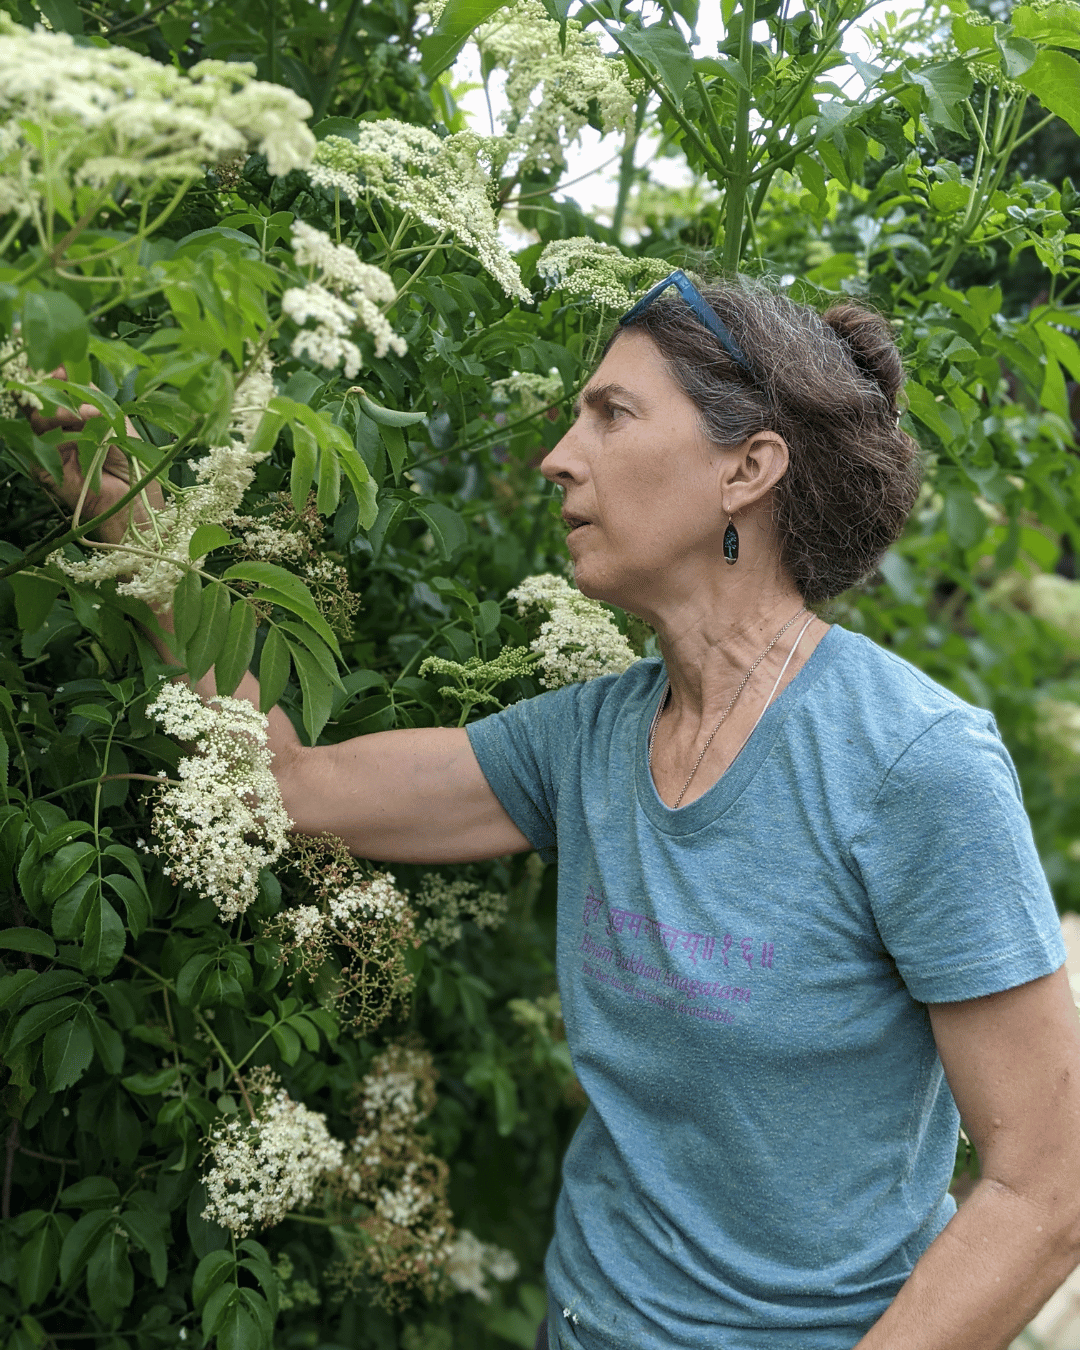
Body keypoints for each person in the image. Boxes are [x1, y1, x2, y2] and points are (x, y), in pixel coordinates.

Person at [35, 275, 1080, 1350]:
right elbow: (294, 783)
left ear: (748, 468)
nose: (557, 455)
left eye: (612, 414)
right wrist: (137, 532)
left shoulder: (912, 765)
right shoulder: (587, 741)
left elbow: (1047, 1191)